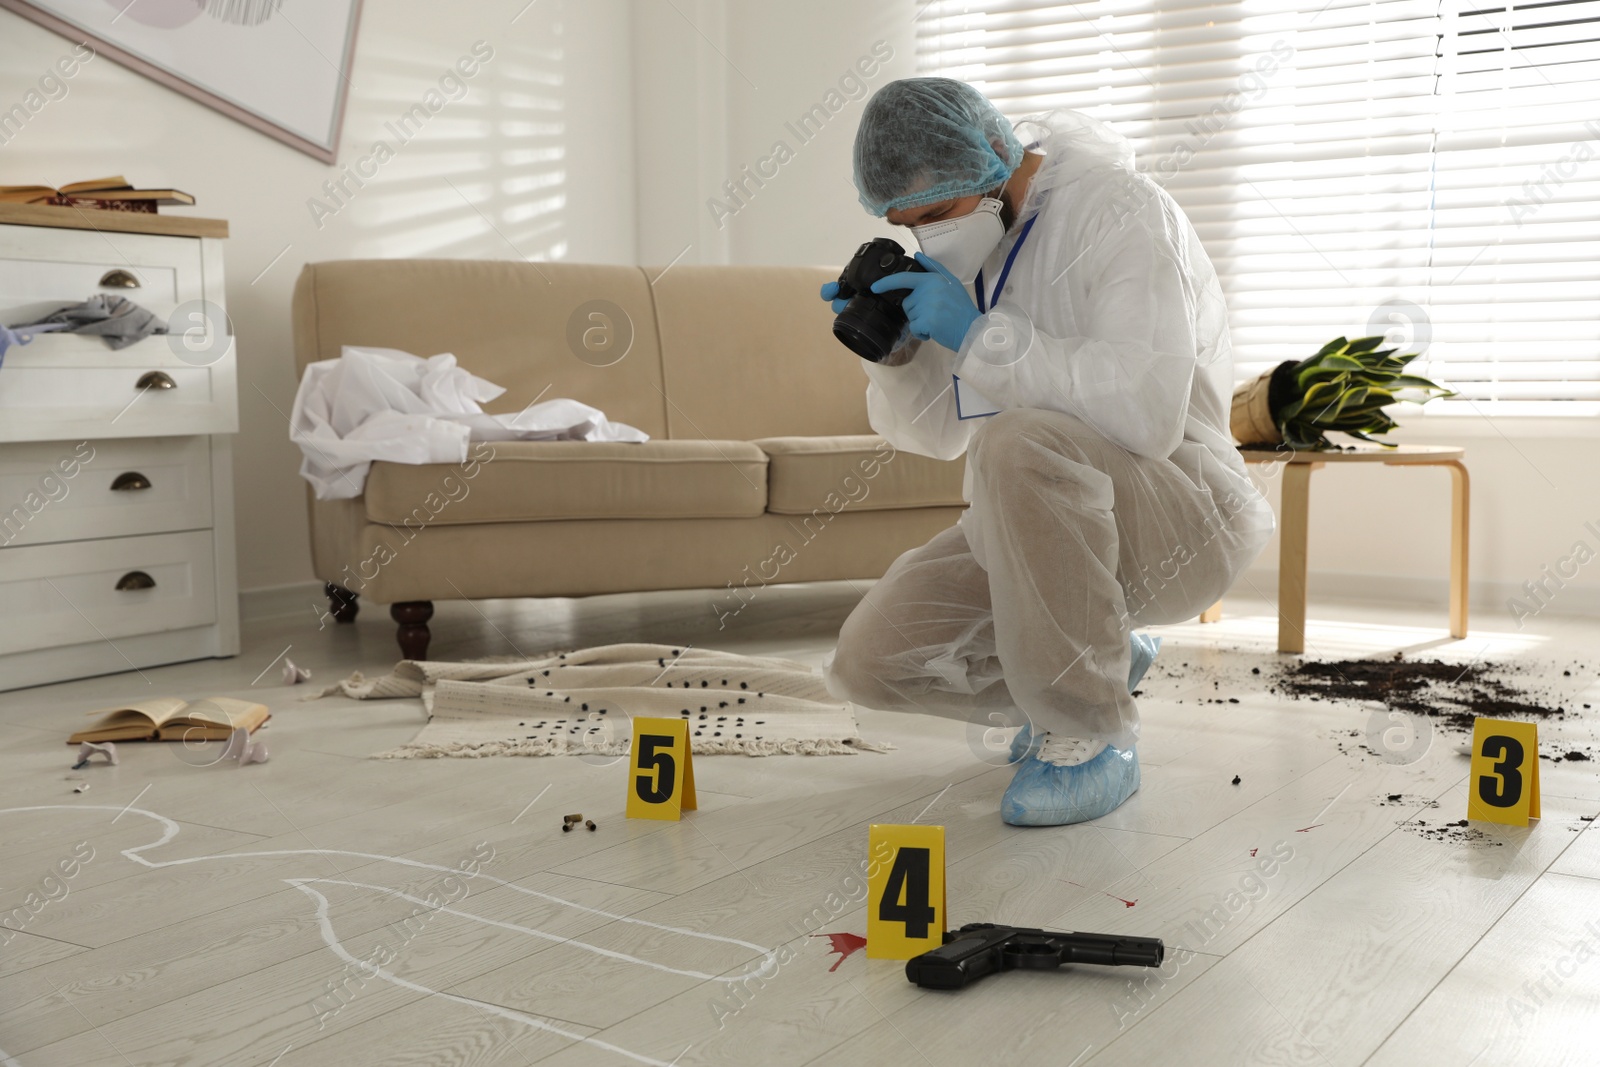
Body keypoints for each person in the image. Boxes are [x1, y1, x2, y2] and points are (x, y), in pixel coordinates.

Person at [821, 78, 1275, 826]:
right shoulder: (979, 247)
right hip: (1035, 527)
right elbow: (938, 435)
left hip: (1182, 511)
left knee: (1017, 438)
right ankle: (1099, 656)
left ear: (992, 158)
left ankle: (1091, 733)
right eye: (909, 226)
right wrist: (895, 357)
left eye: (936, 215)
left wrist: (978, 337)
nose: (929, 238)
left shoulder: (1122, 211)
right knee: (871, 660)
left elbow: (1148, 412)